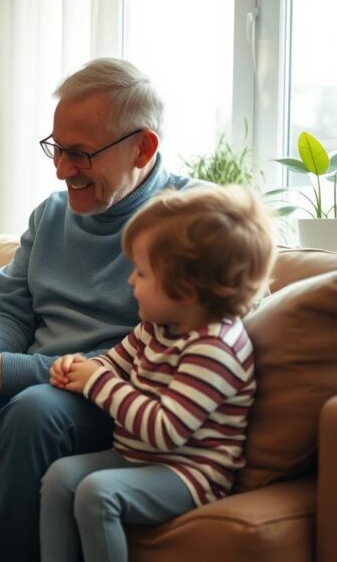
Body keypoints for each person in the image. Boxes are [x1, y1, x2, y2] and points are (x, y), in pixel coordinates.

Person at [0, 57, 202, 562]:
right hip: (32, 383)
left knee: (34, 413)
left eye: (79, 154)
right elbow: (10, 310)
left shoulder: (191, 222)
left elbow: (155, 347)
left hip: (120, 395)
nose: (60, 170)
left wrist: (4, 371)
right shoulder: (52, 213)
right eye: (56, 150)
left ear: (143, 147)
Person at [41, 186, 274, 562]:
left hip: (191, 473)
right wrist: (80, 367)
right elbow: (115, 361)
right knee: (59, 477)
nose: (131, 281)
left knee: (98, 493)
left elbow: (166, 430)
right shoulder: (157, 324)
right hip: (137, 457)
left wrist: (97, 383)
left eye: (142, 272)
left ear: (186, 288)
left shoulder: (216, 348)